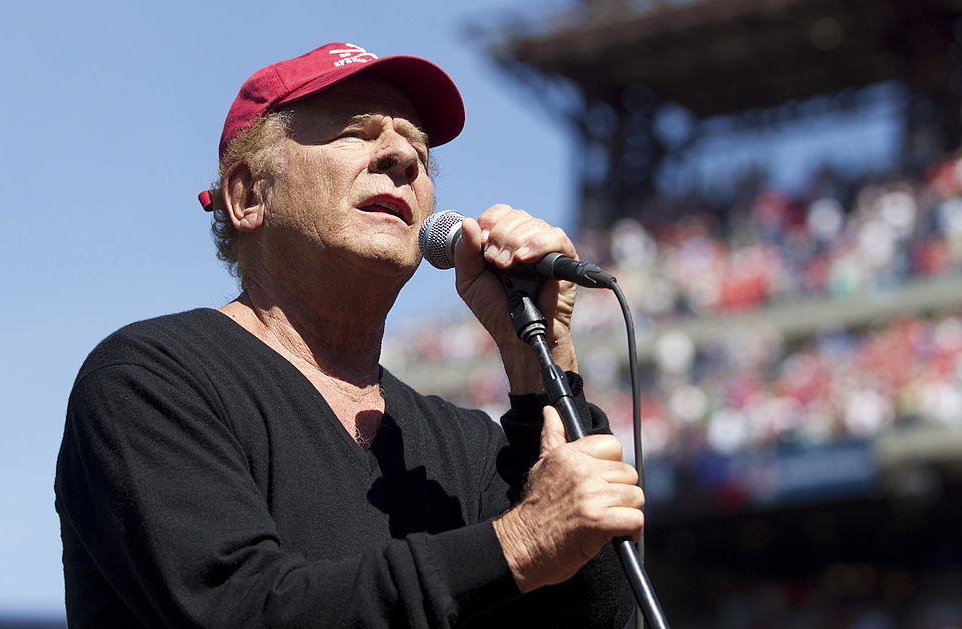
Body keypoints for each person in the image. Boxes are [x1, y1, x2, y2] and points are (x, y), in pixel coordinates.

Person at [55, 42, 644, 628]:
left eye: (417, 146)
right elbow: (243, 610)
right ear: (248, 195)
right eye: (356, 133)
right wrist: (518, 543)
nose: (403, 157)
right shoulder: (148, 381)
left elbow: (600, 621)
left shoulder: (464, 446)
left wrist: (537, 360)